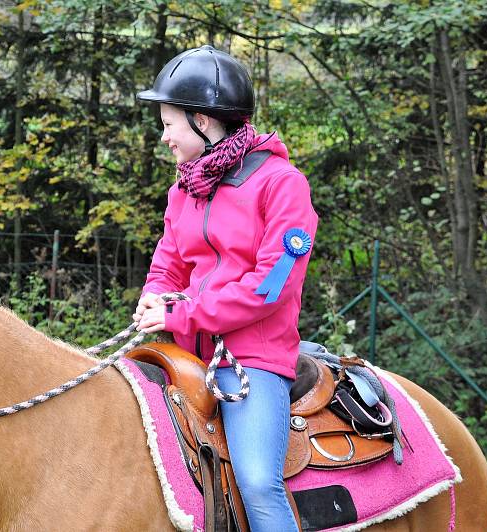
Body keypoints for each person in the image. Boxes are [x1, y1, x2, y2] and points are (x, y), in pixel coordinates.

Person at [132, 45, 318, 531]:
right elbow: (167, 265)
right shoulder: (183, 190)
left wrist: (181, 316)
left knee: (258, 482)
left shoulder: (283, 184)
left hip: (252, 361)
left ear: (203, 121)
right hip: (185, 356)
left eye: (169, 123)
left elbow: (268, 289)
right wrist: (155, 297)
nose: (165, 136)